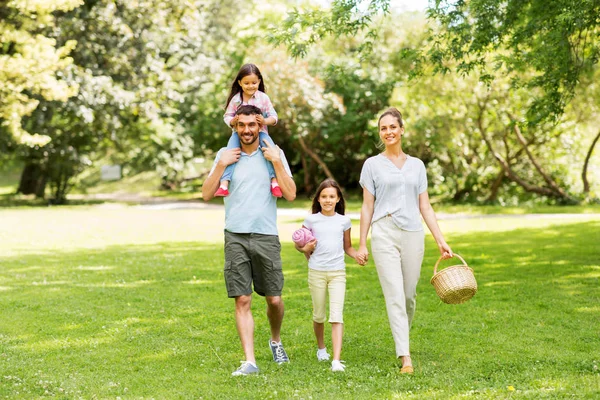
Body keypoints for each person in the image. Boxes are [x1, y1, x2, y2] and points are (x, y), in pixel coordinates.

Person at [356, 107, 453, 374]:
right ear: (380, 133)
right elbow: (366, 207)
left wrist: (440, 240)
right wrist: (362, 243)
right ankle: (405, 356)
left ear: (401, 129)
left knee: (409, 296)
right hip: (384, 232)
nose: (388, 132)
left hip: (412, 233)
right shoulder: (372, 165)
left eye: (392, 127)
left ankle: (403, 337)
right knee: (395, 295)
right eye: (383, 128)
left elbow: (426, 206)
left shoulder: (417, 166)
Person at [202, 104, 297, 376]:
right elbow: (206, 194)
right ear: (235, 126)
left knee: (274, 300)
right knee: (242, 300)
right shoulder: (225, 154)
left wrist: (277, 161)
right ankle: (250, 361)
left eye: (251, 125)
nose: (246, 130)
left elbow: (290, 194)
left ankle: (275, 341)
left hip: (266, 235)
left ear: (259, 126)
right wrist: (221, 165)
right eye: (241, 125)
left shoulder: (273, 154)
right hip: (235, 235)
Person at [295, 179, 364, 372]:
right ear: (318, 198)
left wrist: (357, 255)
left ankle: (336, 360)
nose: (327, 200)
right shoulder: (311, 220)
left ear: (338, 198)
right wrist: (305, 248)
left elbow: (347, 247)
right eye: (324, 196)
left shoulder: (344, 221)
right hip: (316, 272)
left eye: (331, 196)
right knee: (319, 315)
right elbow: (299, 244)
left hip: (337, 273)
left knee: (336, 315)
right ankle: (321, 348)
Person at [216, 63, 282, 198]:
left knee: (270, 152)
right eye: (246, 83)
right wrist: (232, 122)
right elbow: (227, 116)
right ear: (240, 83)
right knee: (230, 153)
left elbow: (274, 117)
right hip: (238, 134)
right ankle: (224, 183)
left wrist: (264, 121)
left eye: (254, 82)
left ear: (259, 81)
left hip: (261, 133)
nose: (250, 86)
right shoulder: (235, 100)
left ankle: (274, 181)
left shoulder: (263, 98)